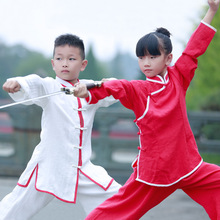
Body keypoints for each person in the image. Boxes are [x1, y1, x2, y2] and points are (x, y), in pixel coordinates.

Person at [73, 0, 220, 219]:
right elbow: (118, 86)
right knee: (117, 210)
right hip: (155, 173)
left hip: (188, 166)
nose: (146, 63)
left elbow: (193, 50)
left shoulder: (178, 78)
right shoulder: (139, 89)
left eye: (153, 56)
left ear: (168, 58)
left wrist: (212, 10)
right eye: (141, 57)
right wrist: (87, 90)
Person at [0, 34, 121, 220]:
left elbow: (115, 90)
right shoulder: (49, 87)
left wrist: (106, 84)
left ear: (83, 64)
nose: (65, 63)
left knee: (116, 197)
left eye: (71, 59)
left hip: (81, 168)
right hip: (47, 166)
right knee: (12, 208)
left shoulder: (88, 90)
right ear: (53, 63)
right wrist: (17, 82)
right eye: (59, 58)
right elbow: (34, 82)